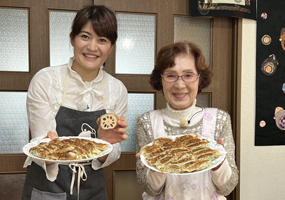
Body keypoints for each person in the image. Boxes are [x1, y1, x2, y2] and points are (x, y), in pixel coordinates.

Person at [21, 5, 128, 200]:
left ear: (111, 47)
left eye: (102, 40)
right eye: (85, 36)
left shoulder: (117, 89)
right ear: (72, 38)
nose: (92, 47)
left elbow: (112, 151)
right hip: (48, 186)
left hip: (92, 189)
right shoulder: (46, 80)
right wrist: (52, 145)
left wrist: (104, 144)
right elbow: (41, 145)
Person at [136, 41, 238, 200]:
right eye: (171, 75)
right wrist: (155, 167)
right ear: (161, 79)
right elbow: (150, 189)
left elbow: (228, 187)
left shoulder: (220, 119)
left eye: (188, 75)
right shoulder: (147, 122)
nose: (179, 84)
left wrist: (218, 165)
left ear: (200, 79)